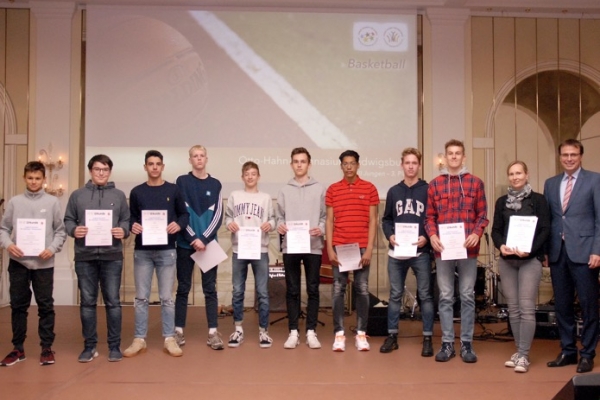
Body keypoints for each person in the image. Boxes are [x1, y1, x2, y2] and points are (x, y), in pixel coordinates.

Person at [425, 139, 488, 363]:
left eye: (457, 153)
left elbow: (482, 215)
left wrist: (476, 233)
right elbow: (429, 217)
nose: (453, 157)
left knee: (468, 296)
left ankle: (467, 345)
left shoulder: (475, 183)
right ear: (445, 156)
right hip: (443, 251)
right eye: (450, 153)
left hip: (468, 250)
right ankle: (448, 344)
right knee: (445, 296)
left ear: (464, 157)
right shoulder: (435, 184)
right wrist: (432, 235)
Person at [64, 154, 130, 363]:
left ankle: (114, 346)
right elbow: (68, 220)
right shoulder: (77, 195)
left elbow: (126, 220)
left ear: (109, 172)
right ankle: (89, 346)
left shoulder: (119, 195)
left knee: (113, 302)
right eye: (97, 169)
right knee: (87, 303)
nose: (101, 173)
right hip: (85, 257)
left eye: (105, 169)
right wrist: (75, 230)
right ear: (90, 171)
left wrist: (124, 230)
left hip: (112, 256)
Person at [123, 150, 189, 358]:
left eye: (157, 164)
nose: (154, 167)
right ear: (145, 167)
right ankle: (139, 339)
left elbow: (184, 214)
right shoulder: (136, 192)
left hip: (167, 251)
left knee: (167, 298)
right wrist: (133, 225)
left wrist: (178, 225)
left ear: (162, 166)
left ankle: (169, 338)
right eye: (150, 164)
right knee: (141, 297)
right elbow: (132, 216)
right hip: (142, 251)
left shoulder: (174, 190)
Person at [0, 161, 67, 366]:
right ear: (24, 178)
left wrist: (52, 248)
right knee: (18, 306)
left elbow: (60, 231)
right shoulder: (14, 202)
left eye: (38, 178)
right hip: (18, 263)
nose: (34, 182)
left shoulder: (53, 202)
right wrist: (9, 245)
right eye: (30, 178)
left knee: (46, 306)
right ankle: (17, 348)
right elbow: (3, 229)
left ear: (44, 180)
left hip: (44, 264)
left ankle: (46, 348)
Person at [544, 138, 600, 374]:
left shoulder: (595, 180)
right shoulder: (550, 183)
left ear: (580, 156)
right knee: (563, 306)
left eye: (573, 155)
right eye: (565, 155)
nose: (569, 158)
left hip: (586, 252)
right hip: (558, 253)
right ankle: (568, 350)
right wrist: (546, 251)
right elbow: (549, 220)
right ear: (559, 157)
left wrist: (597, 249)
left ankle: (587, 353)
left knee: (588, 305)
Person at [491, 161, 550, 373]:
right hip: (507, 261)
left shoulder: (539, 200)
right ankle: (518, 351)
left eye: (519, 173)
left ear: (527, 174)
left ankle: (524, 355)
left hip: (529, 260)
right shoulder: (501, 202)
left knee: (526, 309)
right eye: (511, 174)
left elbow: (545, 229)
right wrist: (501, 245)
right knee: (513, 309)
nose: (515, 177)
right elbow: (496, 230)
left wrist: (531, 250)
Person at [380, 148, 434, 357]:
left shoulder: (428, 189)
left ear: (419, 165)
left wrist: (427, 237)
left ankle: (427, 337)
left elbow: (433, 218)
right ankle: (392, 336)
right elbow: (386, 219)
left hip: (421, 251)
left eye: (414, 162)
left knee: (426, 296)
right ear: (402, 165)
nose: (411, 166)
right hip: (397, 251)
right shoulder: (394, 191)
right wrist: (390, 235)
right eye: (407, 162)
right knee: (395, 295)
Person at [326, 150, 379, 352]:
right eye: (345, 163)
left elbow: (373, 220)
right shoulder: (333, 190)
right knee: (338, 289)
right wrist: (330, 250)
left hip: (362, 247)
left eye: (352, 163)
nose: (349, 166)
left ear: (358, 165)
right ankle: (339, 334)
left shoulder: (370, 188)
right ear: (341, 166)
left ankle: (361, 333)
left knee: (362, 289)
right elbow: (330, 221)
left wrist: (369, 250)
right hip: (340, 247)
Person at [276, 147, 326, 349]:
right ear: (291, 165)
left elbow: (324, 216)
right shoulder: (284, 190)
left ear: (309, 164)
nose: (299, 164)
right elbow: (279, 216)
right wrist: (280, 225)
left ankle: (311, 332)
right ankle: (294, 331)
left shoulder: (320, 188)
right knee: (293, 290)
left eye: (303, 161)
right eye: (296, 161)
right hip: (291, 246)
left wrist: (321, 228)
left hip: (313, 246)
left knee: (313, 289)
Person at [175, 145, 224, 350]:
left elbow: (218, 215)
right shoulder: (182, 182)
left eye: (201, 155)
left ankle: (213, 332)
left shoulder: (216, 184)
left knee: (209, 290)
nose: (198, 159)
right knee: (183, 288)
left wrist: (203, 238)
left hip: (209, 245)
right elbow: (179, 212)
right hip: (185, 244)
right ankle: (178, 331)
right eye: (195, 156)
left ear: (206, 159)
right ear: (190, 160)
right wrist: (192, 237)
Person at [225, 161, 276, 348]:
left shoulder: (266, 197)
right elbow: (228, 217)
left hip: (260, 249)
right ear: (242, 177)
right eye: (247, 174)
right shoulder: (234, 195)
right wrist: (229, 223)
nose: (250, 177)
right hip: (239, 249)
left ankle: (264, 331)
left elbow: (272, 219)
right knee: (238, 291)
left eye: (254, 173)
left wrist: (270, 224)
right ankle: (238, 329)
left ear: (258, 176)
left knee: (262, 292)